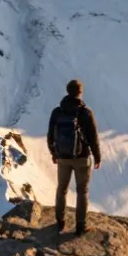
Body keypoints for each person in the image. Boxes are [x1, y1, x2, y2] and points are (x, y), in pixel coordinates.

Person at [47, 79, 101, 234]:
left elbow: (51, 135)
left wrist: (53, 153)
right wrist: (97, 158)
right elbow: (93, 138)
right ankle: (80, 226)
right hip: (82, 157)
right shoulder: (86, 113)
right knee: (82, 191)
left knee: (61, 189)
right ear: (80, 92)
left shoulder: (57, 112)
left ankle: (60, 223)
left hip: (63, 157)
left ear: (67, 91)